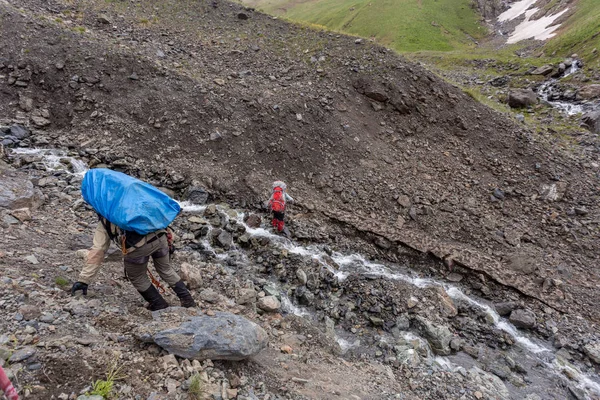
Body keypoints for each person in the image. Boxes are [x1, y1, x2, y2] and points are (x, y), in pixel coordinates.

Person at [71, 215, 196, 311]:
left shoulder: (107, 217)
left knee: (137, 276)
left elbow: (97, 252)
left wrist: (84, 280)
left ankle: (159, 304)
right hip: (161, 237)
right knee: (166, 269)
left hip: (137, 246)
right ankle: (188, 300)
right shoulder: (135, 201)